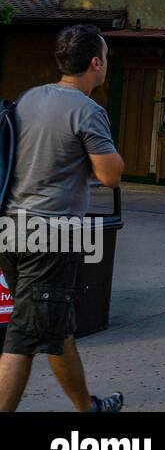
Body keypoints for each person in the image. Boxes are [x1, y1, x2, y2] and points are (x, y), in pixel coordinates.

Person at [0, 24, 124, 412]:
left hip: (12, 228)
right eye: (106, 58)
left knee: (56, 327)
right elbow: (110, 175)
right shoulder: (88, 110)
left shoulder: (29, 98)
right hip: (51, 236)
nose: (107, 65)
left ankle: (87, 408)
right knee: (24, 337)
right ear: (94, 63)